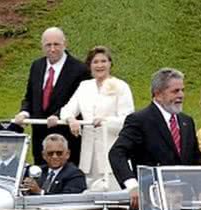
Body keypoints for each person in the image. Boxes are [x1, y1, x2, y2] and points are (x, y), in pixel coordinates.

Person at [109, 68, 201, 210]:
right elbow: (117, 153)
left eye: (182, 90)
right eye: (175, 91)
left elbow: (196, 160)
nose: (181, 95)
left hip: (184, 204)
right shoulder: (140, 120)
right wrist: (133, 186)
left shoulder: (186, 121)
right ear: (158, 94)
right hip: (153, 203)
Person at [47, 46, 134, 191]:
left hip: (111, 154)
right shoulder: (84, 86)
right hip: (88, 156)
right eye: (95, 62)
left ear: (110, 64)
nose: (100, 65)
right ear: (89, 65)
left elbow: (128, 119)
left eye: (103, 61)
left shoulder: (121, 86)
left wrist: (106, 121)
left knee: (114, 198)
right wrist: (70, 119)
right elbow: (67, 109)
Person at [13, 27, 89, 166]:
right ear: (42, 46)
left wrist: (59, 115)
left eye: (56, 44)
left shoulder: (79, 69)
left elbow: (79, 103)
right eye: (48, 45)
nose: (52, 49)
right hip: (40, 140)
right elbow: (30, 96)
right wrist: (24, 112)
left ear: (64, 44)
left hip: (66, 139)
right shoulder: (37, 66)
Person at [21, 134, 86, 195]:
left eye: (59, 153)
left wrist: (40, 192)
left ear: (67, 154)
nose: (54, 157)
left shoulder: (75, 175)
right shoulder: (38, 170)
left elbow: (67, 200)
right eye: (50, 153)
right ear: (44, 155)